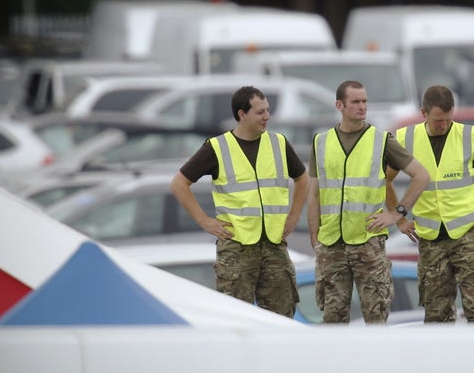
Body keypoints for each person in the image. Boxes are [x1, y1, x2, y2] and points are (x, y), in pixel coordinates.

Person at [170, 86, 308, 318]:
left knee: (282, 318)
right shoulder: (217, 147)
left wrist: (293, 217)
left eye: (268, 111)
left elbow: (302, 179)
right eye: (260, 112)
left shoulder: (279, 143)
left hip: (274, 246)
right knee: (235, 316)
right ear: (242, 114)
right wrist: (205, 221)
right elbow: (178, 184)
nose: (267, 117)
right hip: (237, 248)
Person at [386, 85, 474, 323]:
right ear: (423, 113)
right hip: (430, 239)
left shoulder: (471, 137)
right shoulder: (406, 138)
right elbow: (384, 180)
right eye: (439, 120)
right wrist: (400, 219)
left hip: (469, 236)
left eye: (449, 119)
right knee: (436, 316)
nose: (444, 125)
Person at [307, 80, 430, 324]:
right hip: (331, 245)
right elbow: (314, 194)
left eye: (364, 101)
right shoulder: (321, 142)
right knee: (333, 320)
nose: (362, 106)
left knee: (376, 318)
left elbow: (421, 175)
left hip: (368, 244)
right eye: (356, 102)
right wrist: (315, 237)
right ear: (339, 105)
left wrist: (396, 214)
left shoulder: (381, 140)